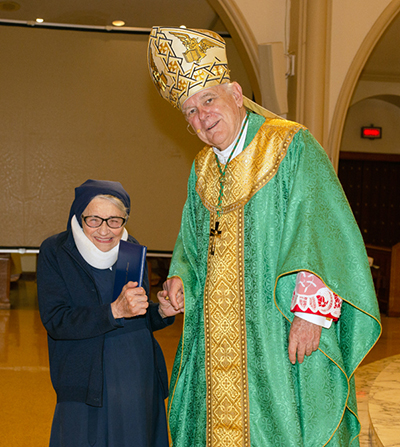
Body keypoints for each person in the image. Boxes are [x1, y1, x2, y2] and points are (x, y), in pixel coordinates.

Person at [147, 26, 382, 446]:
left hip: (275, 332)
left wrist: (311, 314)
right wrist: (181, 277)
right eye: (189, 111)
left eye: (208, 100)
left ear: (236, 94)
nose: (202, 117)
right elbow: (190, 240)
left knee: (279, 425)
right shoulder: (202, 168)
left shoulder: (290, 144)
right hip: (213, 340)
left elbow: (320, 226)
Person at [37, 179, 182, 447]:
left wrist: (161, 311)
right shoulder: (56, 252)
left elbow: (136, 317)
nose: (105, 230)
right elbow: (57, 320)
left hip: (137, 379)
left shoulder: (131, 249)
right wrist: (114, 310)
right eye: (95, 219)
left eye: (115, 220)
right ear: (79, 217)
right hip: (88, 383)